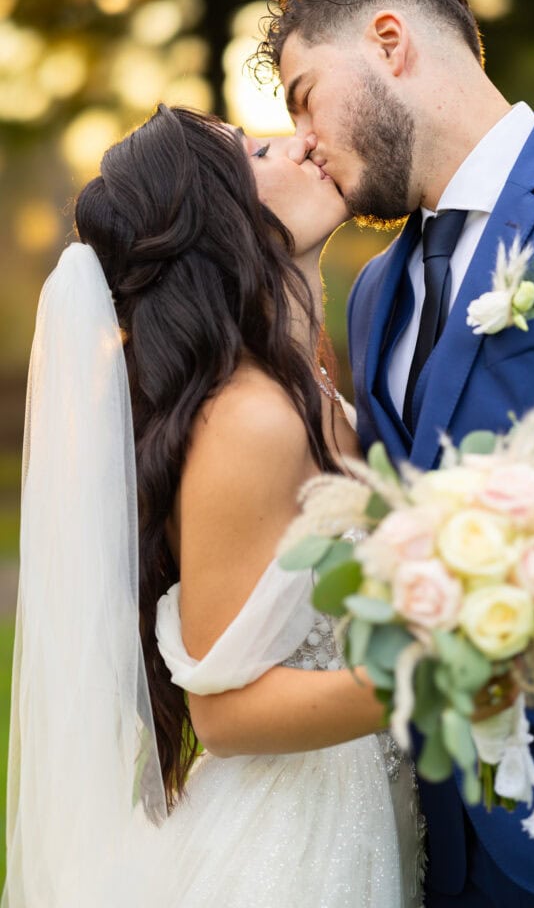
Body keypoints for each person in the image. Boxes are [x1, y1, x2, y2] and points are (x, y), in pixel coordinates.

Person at [258, 0, 534, 908]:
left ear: (388, 39)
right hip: (448, 851)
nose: (304, 138)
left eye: (301, 94)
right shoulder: (371, 291)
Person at [2, 104, 424, 907]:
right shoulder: (249, 418)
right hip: (297, 851)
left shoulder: (317, 381)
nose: (303, 139)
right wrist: (435, 673)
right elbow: (224, 713)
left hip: (365, 803)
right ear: (220, 219)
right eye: (260, 150)